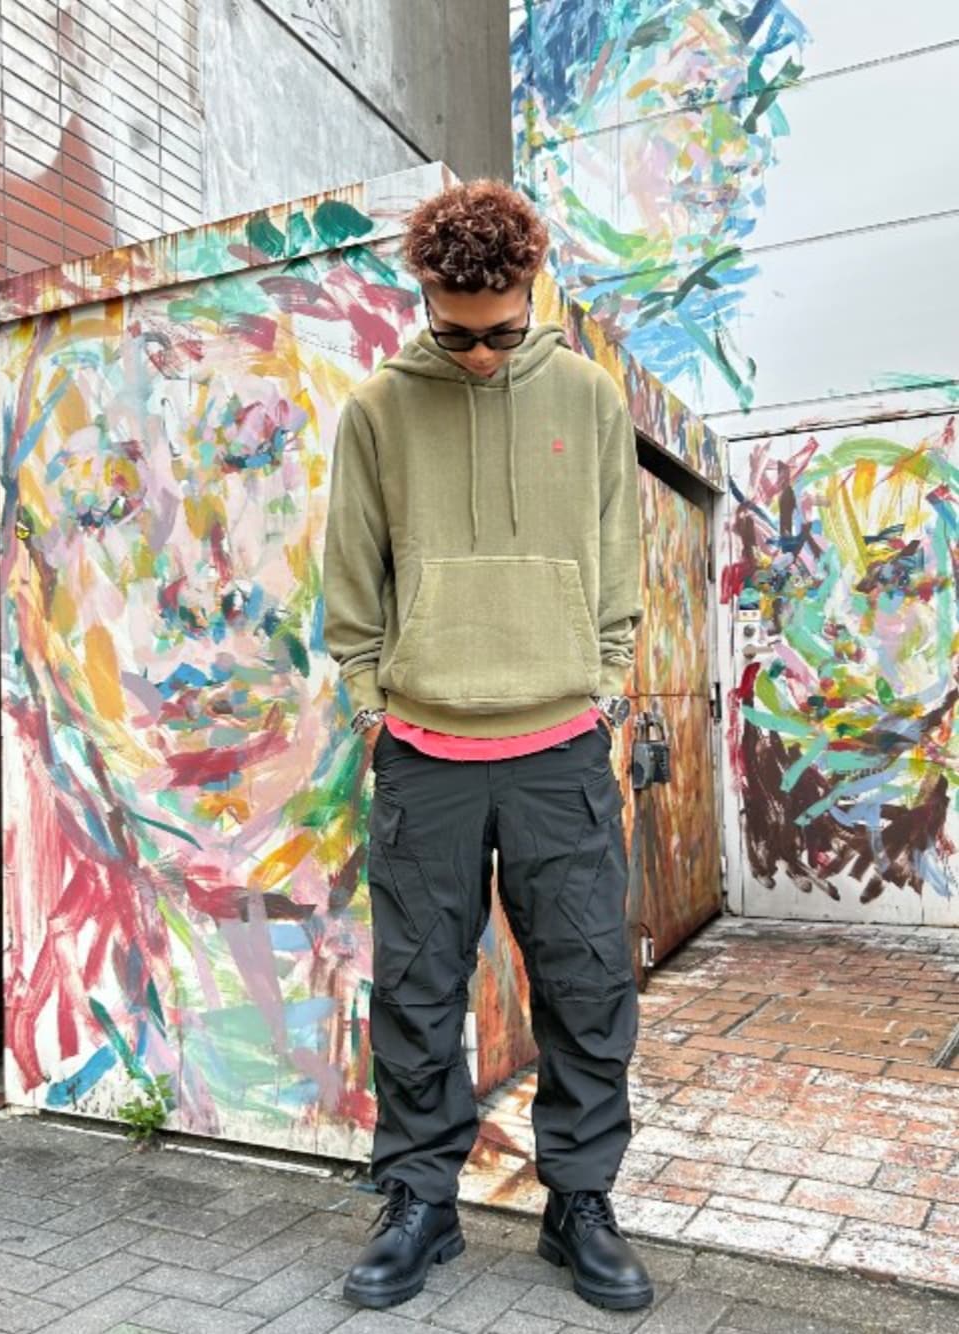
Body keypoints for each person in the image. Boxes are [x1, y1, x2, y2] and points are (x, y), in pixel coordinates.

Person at [322, 179, 651, 1313]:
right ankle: (421, 1200)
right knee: (417, 992)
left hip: (559, 744)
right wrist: (370, 706)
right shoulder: (378, 409)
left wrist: (605, 688)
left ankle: (579, 1203)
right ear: (423, 302)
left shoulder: (589, 397)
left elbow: (619, 556)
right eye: (454, 333)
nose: (476, 355)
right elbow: (352, 577)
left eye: (501, 333)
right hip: (425, 748)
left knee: (587, 982)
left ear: (532, 296)